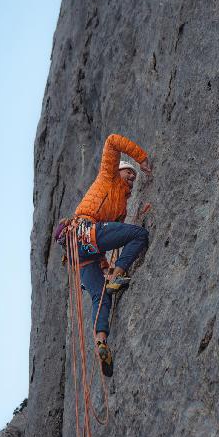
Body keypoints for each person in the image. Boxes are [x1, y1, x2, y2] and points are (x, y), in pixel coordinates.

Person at [74, 133, 151, 376]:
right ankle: (118, 274)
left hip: (83, 254)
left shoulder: (121, 205)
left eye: (134, 177)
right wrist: (140, 158)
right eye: (129, 172)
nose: (132, 177)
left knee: (101, 297)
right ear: (117, 170)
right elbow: (111, 140)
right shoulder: (107, 175)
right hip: (85, 231)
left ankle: (101, 343)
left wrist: (105, 266)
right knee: (139, 235)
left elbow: (106, 241)